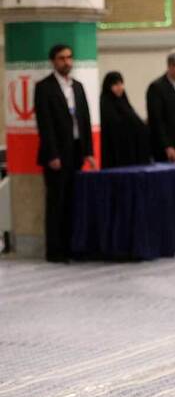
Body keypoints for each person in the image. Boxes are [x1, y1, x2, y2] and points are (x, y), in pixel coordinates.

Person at [34, 44, 95, 262]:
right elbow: (45, 124)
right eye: (62, 58)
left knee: (72, 201)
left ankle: (70, 246)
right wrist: (52, 154)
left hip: (76, 150)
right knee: (56, 203)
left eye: (69, 57)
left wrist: (88, 151)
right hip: (57, 154)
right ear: (53, 61)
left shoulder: (77, 86)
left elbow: (84, 120)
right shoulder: (44, 87)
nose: (66, 62)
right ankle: (55, 250)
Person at [100, 71, 150, 168]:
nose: (119, 87)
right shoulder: (106, 104)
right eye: (115, 84)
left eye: (121, 83)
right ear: (108, 86)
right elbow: (115, 127)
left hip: (132, 152)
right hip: (117, 154)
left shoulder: (124, 102)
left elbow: (134, 121)